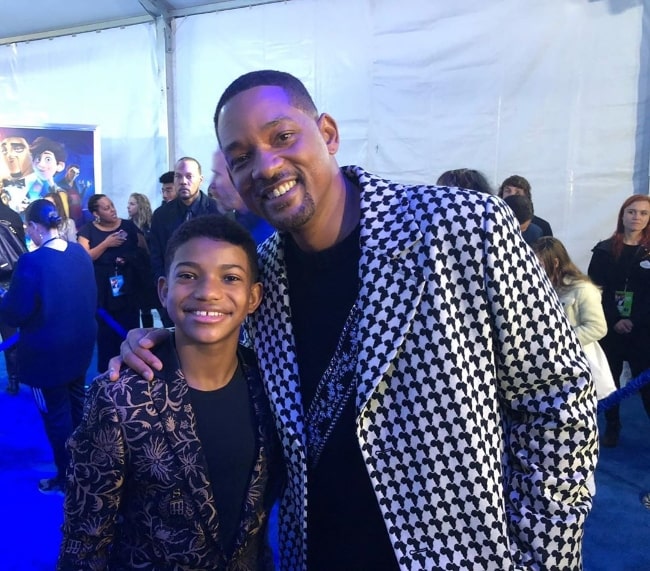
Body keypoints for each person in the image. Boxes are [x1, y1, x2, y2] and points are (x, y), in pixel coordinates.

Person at [115, 70, 597, 570]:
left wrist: (543, 558)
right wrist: (167, 340)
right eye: (241, 158)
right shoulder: (263, 280)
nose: (265, 164)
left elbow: (558, 399)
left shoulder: (462, 226)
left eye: (282, 136)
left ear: (327, 133)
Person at [58, 214, 283, 570]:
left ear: (254, 296)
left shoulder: (272, 384)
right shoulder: (119, 398)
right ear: (164, 290)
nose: (208, 291)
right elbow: (85, 539)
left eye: (231, 277)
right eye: (189, 275)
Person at [0, 199, 96, 494]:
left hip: (46, 356)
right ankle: (85, 467)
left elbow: (15, 312)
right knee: (77, 409)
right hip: (79, 349)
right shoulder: (79, 252)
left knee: (55, 416)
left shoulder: (32, 262)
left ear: (32, 227)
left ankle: (66, 476)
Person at [588, 194, 650, 447]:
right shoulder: (603, 249)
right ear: (622, 215)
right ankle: (612, 426)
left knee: (644, 384)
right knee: (609, 380)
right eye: (632, 212)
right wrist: (614, 320)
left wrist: (635, 320)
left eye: (643, 213)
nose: (637, 217)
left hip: (643, 328)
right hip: (610, 327)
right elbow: (594, 290)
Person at [532, 236, 615, 400]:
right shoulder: (538, 288)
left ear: (555, 262)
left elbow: (597, 328)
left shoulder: (583, 288)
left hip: (576, 366)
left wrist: (559, 341)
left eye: (538, 263)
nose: (533, 268)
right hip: (547, 366)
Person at [78, 194, 145, 372]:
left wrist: (127, 259)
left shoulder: (129, 226)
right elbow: (84, 258)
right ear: (96, 213)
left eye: (112, 205)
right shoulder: (87, 231)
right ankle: (108, 375)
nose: (112, 210)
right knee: (106, 334)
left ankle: (133, 371)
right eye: (106, 208)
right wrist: (106, 243)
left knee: (129, 328)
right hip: (102, 291)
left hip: (127, 289)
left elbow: (144, 251)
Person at [149, 157, 219, 326]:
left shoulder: (218, 210)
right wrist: (165, 288)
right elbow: (156, 255)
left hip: (210, 291)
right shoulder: (161, 215)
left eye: (189, 176)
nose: (183, 182)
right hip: (174, 291)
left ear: (200, 180)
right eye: (178, 177)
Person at [208, 149, 274, 244]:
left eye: (217, 174)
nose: (212, 184)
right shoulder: (241, 224)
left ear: (238, 176)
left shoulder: (268, 238)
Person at [0, 198, 26, 395]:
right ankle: (15, 378)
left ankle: (14, 379)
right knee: (11, 331)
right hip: (12, 280)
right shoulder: (13, 215)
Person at [126, 192, 158, 328]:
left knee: (151, 305)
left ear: (141, 206)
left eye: (132, 204)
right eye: (128, 204)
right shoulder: (126, 225)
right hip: (132, 271)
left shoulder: (151, 225)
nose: (128, 207)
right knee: (139, 307)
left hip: (148, 270)